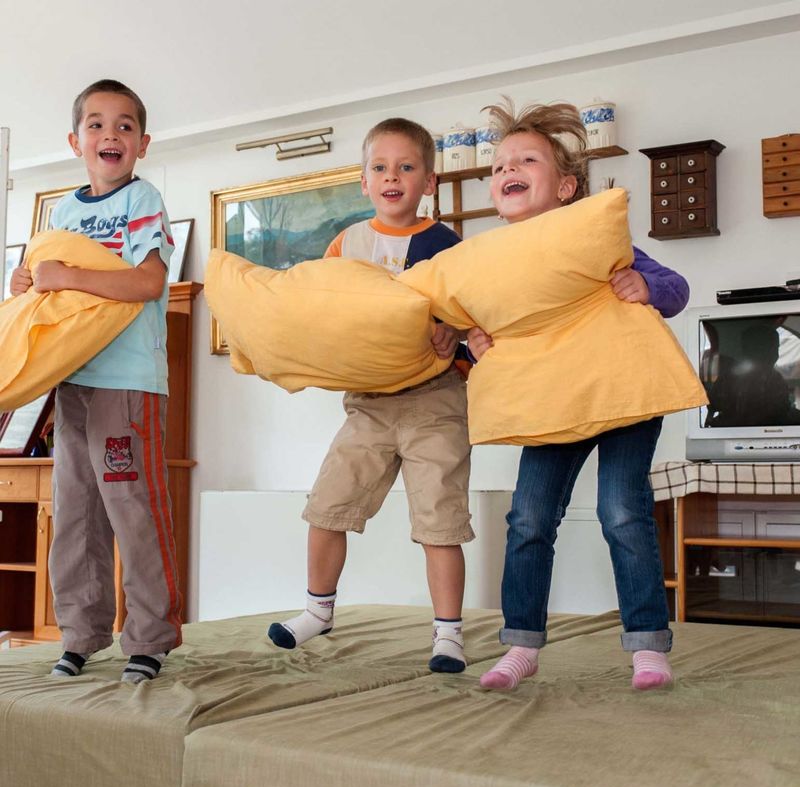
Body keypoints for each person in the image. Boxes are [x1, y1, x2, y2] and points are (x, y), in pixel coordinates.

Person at [467, 99, 690, 691]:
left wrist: (644, 285)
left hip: (623, 394)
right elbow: (486, 326)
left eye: (526, 160)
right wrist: (479, 344)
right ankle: (521, 644)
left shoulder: (596, 235)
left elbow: (676, 286)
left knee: (622, 511)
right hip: (555, 403)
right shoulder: (496, 263)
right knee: (529, 517)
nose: (507, 170)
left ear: (566, 187)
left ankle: (648, 645)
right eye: (499, 165)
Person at [268, 118, 474, 673]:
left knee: (439, 519)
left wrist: (452, 331)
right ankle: (317, 611)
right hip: (368, 403)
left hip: (435, 401)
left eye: (406, 167)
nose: (392, 177)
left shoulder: (447, 245)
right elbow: (325, 307)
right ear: (363, 181)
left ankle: (448, 634)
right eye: (380, 168)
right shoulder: (347, 243)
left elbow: (468, 310)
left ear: (429, 181)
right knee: (327, 506)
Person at [10, 79, 181, 683]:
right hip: (73, 378)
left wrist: (66, 277)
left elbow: (147, 283)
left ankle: (151, 638)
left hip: (128, 381)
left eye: (125, 126)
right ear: (75, 140)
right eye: (97, 124)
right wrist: (27, 282)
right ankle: (81, 634)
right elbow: (37, 283)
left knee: (133, 507)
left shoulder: (143, 199)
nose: (112, 134)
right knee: (75, 510)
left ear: (142, 144)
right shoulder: (62, 212)